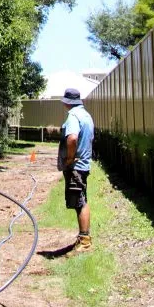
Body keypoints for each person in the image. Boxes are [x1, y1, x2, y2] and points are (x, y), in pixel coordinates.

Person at [57, 87, 94, 255]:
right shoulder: (86, 115)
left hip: (76, 167)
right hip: (84, 164)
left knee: (80, 202)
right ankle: (83, 238)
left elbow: (72, 138)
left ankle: (85, 241)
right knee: (81, 198)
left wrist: (70, 159)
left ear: (67, 103)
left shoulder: (73, 116)